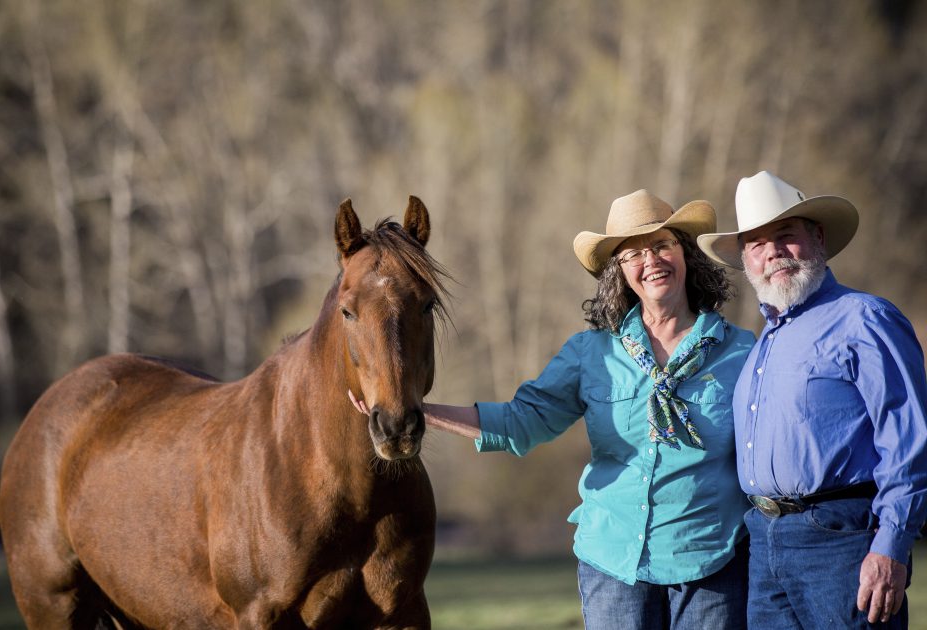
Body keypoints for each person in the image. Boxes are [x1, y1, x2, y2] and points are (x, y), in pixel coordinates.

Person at [353, 189, 755, 629]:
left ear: (686, 256)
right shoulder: (592, 354)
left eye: (662, 246)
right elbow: (522, 423)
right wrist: (416, 411)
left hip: (710, 565)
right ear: (619, 273)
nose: (651, 261)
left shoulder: (741, 353)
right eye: (633, 254)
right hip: (614, 565)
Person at [697, 170, 927, 629]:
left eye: (786, 236)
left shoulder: (865, 319)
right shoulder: (763, 342)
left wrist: (891, 545)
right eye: (757, 244)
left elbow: (909, 442)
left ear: (817, 237)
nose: (773, 252)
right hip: (764, 541)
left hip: (842, 539)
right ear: (746, 260)